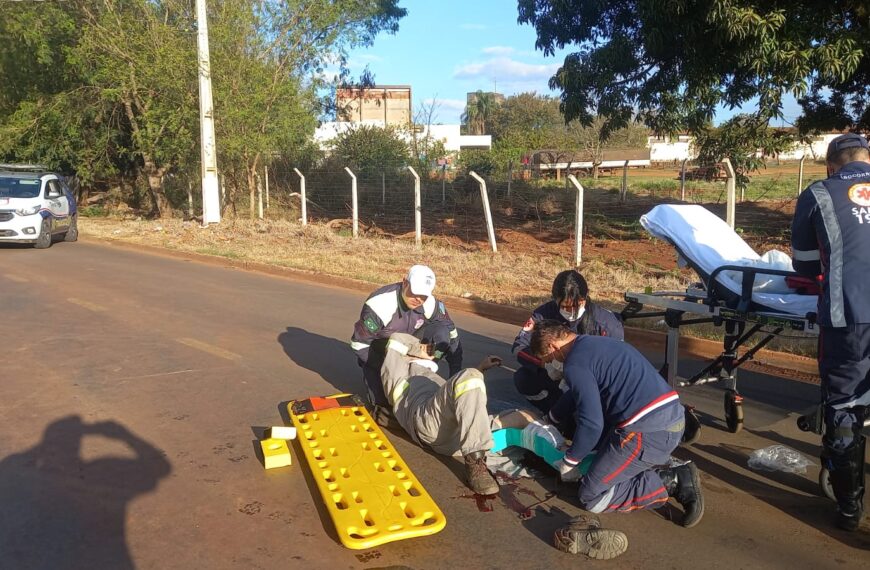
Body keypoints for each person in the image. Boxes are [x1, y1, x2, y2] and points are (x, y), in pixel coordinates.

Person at [529, 320, 704, 527]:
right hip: (670, 418)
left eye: (548, 359)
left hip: (647, 433)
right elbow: (578, 395)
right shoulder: (595, 344)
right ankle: (654, 462)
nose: (551, 364)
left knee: (592, 497)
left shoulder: (574, 364)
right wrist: (552, 418)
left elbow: (592, 424)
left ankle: (671, 480)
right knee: (599, 457)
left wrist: (570, 461)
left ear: (553, 346)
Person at [791, 132, 870, 531]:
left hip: (849, 317)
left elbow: (804, 266)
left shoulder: (819, 193)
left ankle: (850, 508)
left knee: (844, 408)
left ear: (829, 165)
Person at [379, 332, 502, 494]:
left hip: (458, 432)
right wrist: (419, 349)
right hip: (425, 422)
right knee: (469, 375)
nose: (430, 352)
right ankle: (475, 461)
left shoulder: (428, 373)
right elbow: (396, 340)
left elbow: (464, 395)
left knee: (520, 417)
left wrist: (481, 368)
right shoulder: (400, 371)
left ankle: (538, 445)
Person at [351, 265, 462, 415]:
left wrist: (454, 376)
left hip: (413, 350)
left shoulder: (431, 304)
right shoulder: (380, 305)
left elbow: (453, 336)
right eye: (415, 292)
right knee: (385, 407)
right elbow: (359, 344)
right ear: (405, 282)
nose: (418, 299)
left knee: (442, 332)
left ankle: (423, 369)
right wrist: (387, 369)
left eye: (423, 295)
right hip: (382, 354)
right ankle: (378, 384)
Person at [512, 270, 623, 414]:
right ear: (555, 299)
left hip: (592, 380)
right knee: (524, 379)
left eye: (577, 305)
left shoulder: (606, 323)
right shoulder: (543, 314)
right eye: (565, 307)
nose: (572, 311)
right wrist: (546, 364)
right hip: (556, 374)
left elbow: (617, 364)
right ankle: (554, 413)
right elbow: (519, 346)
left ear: (585, 297)